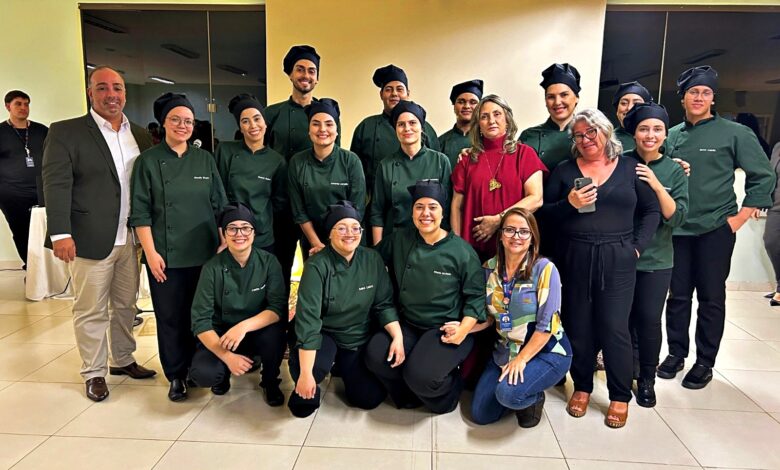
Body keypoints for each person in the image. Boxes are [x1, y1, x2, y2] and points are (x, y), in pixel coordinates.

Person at [540, 108, 660, 428]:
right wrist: (569, 204)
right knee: (578, 324)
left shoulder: (631, 168)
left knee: (614, 326)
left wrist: (636, 247)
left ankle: (619, 395)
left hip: (618, 256)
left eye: (591, 132)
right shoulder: (565, 171)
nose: (585, 140)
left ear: (606, 131)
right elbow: (544, 216)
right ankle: (581, 386)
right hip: (574, 255)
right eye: (578, 135)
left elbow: (651, 211)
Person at [42, 66, 156, 402]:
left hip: (130, 239)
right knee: (90, 308)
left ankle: (122, 359)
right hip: (89, 237)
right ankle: (93, 371)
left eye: (117, 88)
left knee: (126, 305)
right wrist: (60, 232)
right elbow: (56, 184)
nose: (111, 95)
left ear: (125, 93)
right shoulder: (66, 132)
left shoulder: (140, 135)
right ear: (90, 92)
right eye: (103, 87)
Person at [659, 66, 775, 389]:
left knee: (711, 298)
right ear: (683, 98)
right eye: (693, 92)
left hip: (715, 229)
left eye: (705, 92)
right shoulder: (672, 135)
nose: (699, 97)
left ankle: (705, 361)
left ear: (713, 98)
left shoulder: (734, 133)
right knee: (678, 297)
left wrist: (738, 219)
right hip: (677, 230)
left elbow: (763, 175)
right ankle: (676, 353)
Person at [129, 92, 227, 402]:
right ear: (163, 123)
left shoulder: (204, 159)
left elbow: (219, 205)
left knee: (205, 315)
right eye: (176, 120)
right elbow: (140, 213)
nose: (183, 126)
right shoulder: (148, 161)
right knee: (171, 317)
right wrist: (150, 253)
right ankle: (177, 375)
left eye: (188, 121)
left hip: (206, 254)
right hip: (165, 256)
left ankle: (205, 369)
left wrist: (224, 242)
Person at [365, 181, 484, 414]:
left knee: (422, 377)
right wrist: (334, 253)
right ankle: (410, 394)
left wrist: (463, 330)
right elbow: (370, 259)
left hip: (444, 328)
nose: (425, 213)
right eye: (419, 207)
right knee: (376, 356)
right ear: (412, 212)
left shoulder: (461, 251)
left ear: (443, 212)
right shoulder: (400, 239)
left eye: (432, 207)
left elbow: (476, 297)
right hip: (408, 323)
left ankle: (447, 396)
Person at [289, 201, 402, 417]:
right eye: (341, 228)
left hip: (356, 336)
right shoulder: (316, 266)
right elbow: (309, 321)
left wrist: (397, 336)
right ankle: (306, 373)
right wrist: (305, 374)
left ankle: (342, 365)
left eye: (355, 228)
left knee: (368, 399)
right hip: (324, 333)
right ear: (329, 234)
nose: (349, 233)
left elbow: (384, 304)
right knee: (305, 397)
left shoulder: (372, 259)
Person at [470, 208, 571, 427]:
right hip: (506, 349)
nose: (516, 236)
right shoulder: (488, 269)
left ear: (533, 237)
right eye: (510, 230)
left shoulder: (545, 269)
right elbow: (489, 318)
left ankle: (533, 398)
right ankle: (515, 389)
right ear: (500, 235)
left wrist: (521, 360)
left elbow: (546, 326)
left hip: (545, 351)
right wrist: (463, 328)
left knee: (508, 394)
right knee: (481, 414)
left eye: (524, 231)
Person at [622, 102, 689, 407]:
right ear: (634, 133)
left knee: (649, 320)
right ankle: (625, 373)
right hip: (621, 258)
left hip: (656, 261)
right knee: (622, 321)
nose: (650, 135)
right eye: (644, 129)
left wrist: (658, 186)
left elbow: (677, 218)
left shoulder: (674, 170)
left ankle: (647, 378)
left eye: (657, 129)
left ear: (665, 134)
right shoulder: (621, 163)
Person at [189, 203, 286, 405]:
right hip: (222, 334)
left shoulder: (269, 262)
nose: (239, 234)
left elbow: (277, 309)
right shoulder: (212, 268)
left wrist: (243, 327)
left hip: (256, 330)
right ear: (224, 234)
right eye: (232, 228)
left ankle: (270, 381)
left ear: (254, 232)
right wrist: (227, 357)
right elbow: (200, 320)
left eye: (245, 228)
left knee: (275, 334)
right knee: (203, 374)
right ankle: (223, 373)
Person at [264, 45, 332, 310]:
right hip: (278, 207)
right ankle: (276, 326)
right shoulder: (272, 114)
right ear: (290, 74)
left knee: (317, 273)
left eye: (311, 71)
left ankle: (310, 327)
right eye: (300, 69)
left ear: (317, 77)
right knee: (277, 272)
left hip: (314, 209)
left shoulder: (324, 114)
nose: (306, 75)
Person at [451, 94, 547, 261]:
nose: (491, 121)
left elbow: (536, 199)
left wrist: (499, 220)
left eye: (497, 114)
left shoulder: (525, 154)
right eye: (484, 116)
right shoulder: (467, 159)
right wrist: (457, 246)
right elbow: (456, 207)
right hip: (472, 250)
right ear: (478, 125)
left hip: (514, 246)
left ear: (507, 120)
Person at [288, 98, 366, 258]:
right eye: (316, 124)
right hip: (312, 239)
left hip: (347, 238)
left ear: (336, 130)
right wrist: (316, 243)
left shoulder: (351, 161)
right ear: (309, 129)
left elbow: (357, 207)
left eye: (329, 124)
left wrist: (339, 243)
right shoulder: (297, 162)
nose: (322, 129)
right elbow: (299, 211)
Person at [351, 64, 441, 197]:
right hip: (376, 200)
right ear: (381, 94)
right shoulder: (366, 126)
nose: (394, 94)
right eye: (388, 89)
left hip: (419, 201)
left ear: (408, 93)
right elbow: (354, 172)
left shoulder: (424, 128)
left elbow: (436, 167)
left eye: (399, 89)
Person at [370, 100, 451, 245]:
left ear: (421, 127)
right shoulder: (385, 165)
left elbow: (448, 208)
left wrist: (443, 246)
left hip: (431, 242)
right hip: (395, 240)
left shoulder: (440, 161)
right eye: (401, 124)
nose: (407, 128)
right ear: (395, 129)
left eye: (412, 123)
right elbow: (377, 212)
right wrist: (378, 250)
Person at [215, 94, 286, 253]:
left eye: (257, 119)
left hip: (262, 236)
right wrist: (223, 234)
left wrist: (262, 220)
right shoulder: (225, 151)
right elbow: (218, 195)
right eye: (245, 121)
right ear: (240, 128)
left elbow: (279, 203)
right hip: (231, 235)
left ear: (265, 123)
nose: (253, 125)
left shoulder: (277, 161)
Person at [1, 90, 48, 268]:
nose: (23, 107)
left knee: (46, 230)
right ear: (8, 107)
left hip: (41, 190)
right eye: (18, 104)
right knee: (21, 231)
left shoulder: (41, 131)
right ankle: (31, 268)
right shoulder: (1, 132)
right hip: (11, 193)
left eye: (26, 104)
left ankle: (48, 269)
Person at [519, 63, 581, 172]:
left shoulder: (587, 136)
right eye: (551, 97)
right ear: (546, 101)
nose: (557, 102)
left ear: (576, 98)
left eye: (564, 95)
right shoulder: (529, 136)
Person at [438, 80, 483, 169]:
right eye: (461, 102)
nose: (467, 106)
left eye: (473, 102)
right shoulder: (440, 142)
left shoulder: (486, 140)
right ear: (454, 105)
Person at [612, 81, 652, 152]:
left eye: (636, 103)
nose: (629, 108)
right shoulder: (608, 139)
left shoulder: (656, 139)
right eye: (624, 103)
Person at [763, 142, 780, 305]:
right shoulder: (777, 147)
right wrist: (761, 200)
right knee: (771, 242)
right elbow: (770, 175)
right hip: (776, 206)